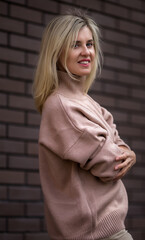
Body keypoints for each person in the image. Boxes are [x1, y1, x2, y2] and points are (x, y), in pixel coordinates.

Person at [33, 10, 136, 240]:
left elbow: (119, 145)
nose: (86, 51)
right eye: (75, 45)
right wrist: (123, 153)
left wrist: (129, 152)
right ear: (57, 51)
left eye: (89, 44)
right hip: (95, 235)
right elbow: (111, 165)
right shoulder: (61, 106)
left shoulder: (88, 103)